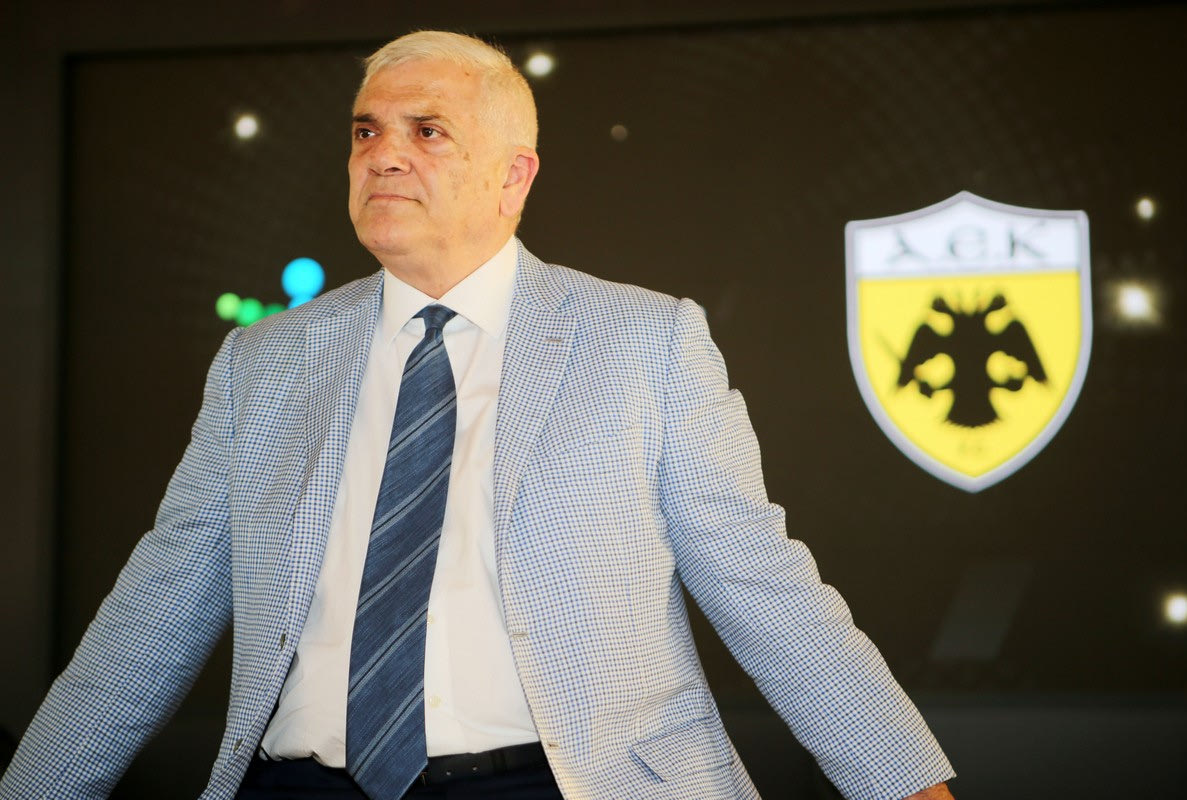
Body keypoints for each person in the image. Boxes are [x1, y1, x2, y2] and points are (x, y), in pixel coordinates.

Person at [1, 30, 956, 800]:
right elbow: (158, 605)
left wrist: (905, 784)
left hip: (558, 783)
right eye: (366, 131)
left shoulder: (644, 342)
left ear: (514, 177)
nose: (383, 156)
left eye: (428, 132)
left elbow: (763, 584)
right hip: (297, 783)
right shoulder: (266, 361)